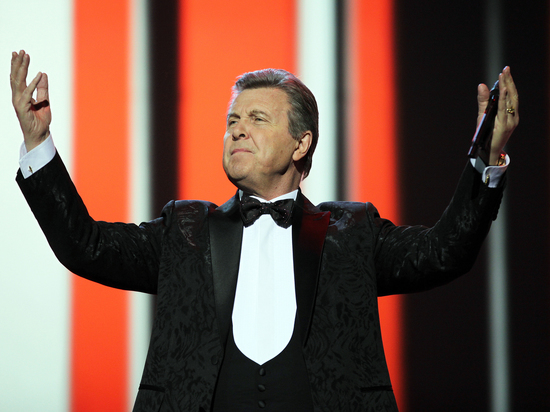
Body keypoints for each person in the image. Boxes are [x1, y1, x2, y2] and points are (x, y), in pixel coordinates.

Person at [11, 49, 519, 411]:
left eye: (256, 118)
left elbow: (444, 252)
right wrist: (38, 145)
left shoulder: (353, 230)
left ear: (301, 144)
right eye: (232, 119)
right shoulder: (184, 228)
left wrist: (488, 156)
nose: (236, 129)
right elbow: (87, 246)